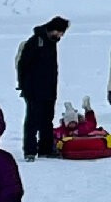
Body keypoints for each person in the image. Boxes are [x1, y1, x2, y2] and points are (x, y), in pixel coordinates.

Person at [15, 17, 70, 159]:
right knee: (32, 121)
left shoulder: (52, 43)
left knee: (47, 119)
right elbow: (23, 65)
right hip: (33, 89)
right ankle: (30, 151)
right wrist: (23, 85)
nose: (60, 36)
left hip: (49, 89)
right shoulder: (35, 42)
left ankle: (46, 149)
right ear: (54, 29)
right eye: (60, 33)